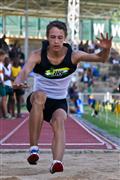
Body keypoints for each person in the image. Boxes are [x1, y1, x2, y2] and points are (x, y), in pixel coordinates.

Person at [13, 20, 112, 173]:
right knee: (39, 96)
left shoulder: (74, 56)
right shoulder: (37, 55)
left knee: (59, 120)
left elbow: (101, 58)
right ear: (47, 38)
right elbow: (24, 72)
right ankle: (34, 149)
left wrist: (106, 49)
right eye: (53, 37)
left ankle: (57, 162)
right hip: (38, 101)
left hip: (58, 102)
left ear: (65, 38)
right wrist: (18, 82)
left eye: (60, 37)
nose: (56, 41)